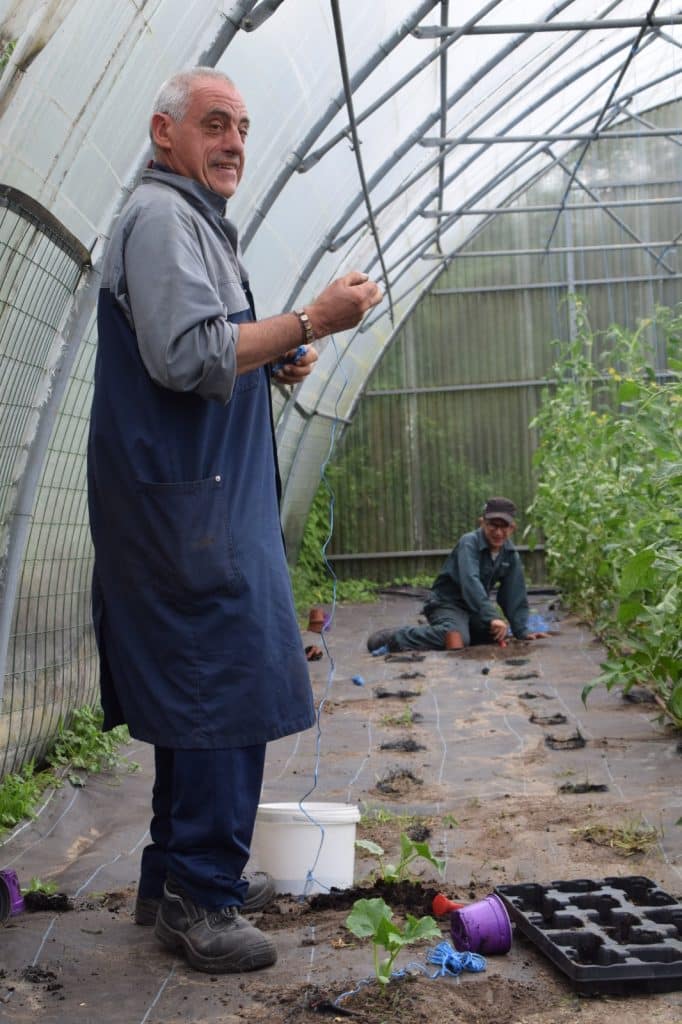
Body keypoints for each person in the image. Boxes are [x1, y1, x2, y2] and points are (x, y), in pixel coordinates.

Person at [87, 66, 382, 976]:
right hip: (188, 509)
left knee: (194, 688)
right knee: (224, 685)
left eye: (246, 129)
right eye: (216, 125)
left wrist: (281, 349)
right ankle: (200, 897)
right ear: (164, 130)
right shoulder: (164, 219)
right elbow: (186, 356)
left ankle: (175, 876)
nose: (237, 145)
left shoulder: (186, 222)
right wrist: (309, 318)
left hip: (193, 500)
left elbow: (209, 350)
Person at [367, 497, 548, 653]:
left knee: (494, 635)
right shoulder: (469, 543)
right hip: (446, 603)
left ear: (512, 528)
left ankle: (449, 629)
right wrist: (492, 617)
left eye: (504, 527)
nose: (498, 532)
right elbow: (470, 582)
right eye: (493, 525)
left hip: (473, 609)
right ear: (482, 523)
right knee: (456, 640)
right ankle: (397, 637)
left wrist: (522, 631)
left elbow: (513, 594)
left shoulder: (510, 554)